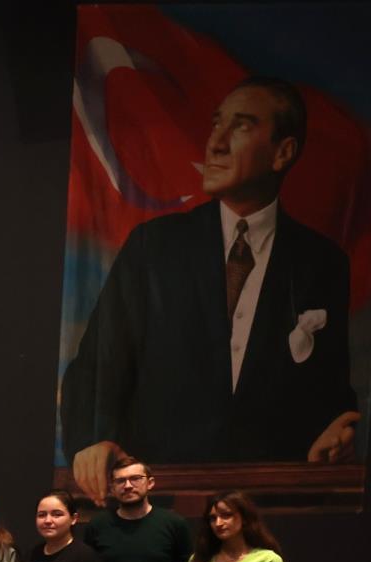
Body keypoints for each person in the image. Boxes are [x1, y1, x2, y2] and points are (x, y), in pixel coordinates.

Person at [63, 77, 357, 501]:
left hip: (273, 502)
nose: (215, 143)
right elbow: (95, 365)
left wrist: (335, 434)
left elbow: (331, 392)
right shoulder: (154, 247)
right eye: (217, 124)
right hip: (160, 494)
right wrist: (92, 441)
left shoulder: (323, 262)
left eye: (241, 126)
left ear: (283, 152)